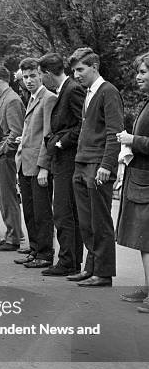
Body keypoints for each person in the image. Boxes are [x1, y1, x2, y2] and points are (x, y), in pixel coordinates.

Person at [68, 47, 123, 287]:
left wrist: (107, 165)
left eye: (80, 69)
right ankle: (90, 267)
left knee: (100, 220)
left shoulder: (107, 91)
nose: (76, 75)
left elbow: (114, 133)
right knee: (86, 220)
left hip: (97, 164)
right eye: (74, 71)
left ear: (94, 67)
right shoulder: (88, 92)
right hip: (82, 162)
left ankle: (103, 272)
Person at [39, 52, 85, 276]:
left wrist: (60, 143)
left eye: (41, 75)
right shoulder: (65, 90)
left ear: (48, 73)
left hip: (68, 158)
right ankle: (71, 259)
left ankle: (68, 260)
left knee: (64, 211)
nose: (41, 81)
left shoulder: (72, 89)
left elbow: (81, 125)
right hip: (62, 158)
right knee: (65, 210)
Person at [14, 57, 57, 269]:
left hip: (37, 165)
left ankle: (45, 253)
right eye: (26, 77)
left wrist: (43, 167)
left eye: (33, 76)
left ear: (41, 75)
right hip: (25, 163)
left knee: (42, 212)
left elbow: (48, 134)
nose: (29, 80)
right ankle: (34, 249)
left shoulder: (48, 98)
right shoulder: (31, 98)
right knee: (29, 211)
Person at [117, 53, 149, 311]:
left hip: (147, 181)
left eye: (143, 72)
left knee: (147, 241)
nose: (138, 77)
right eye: (138, 72)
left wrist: (132, 140)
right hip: (140, 179)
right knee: (143, 241)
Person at [0, 65, 25, 251]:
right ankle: (11, 232)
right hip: (2, 154)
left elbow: (16, 132)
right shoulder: (4, 99)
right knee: (2, 197)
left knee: (8, 196)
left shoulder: (11, 101)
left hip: (6, 156)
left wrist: (0, 150)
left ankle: (14, 237)